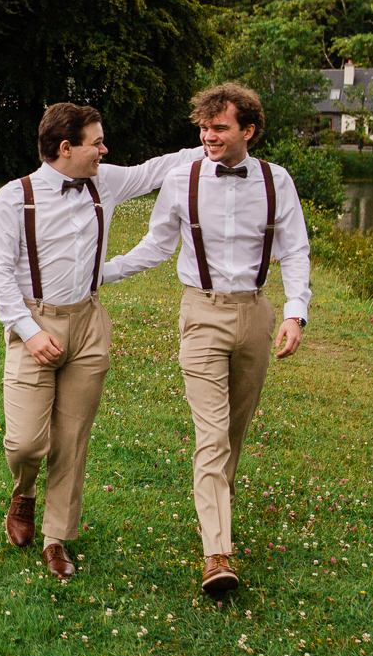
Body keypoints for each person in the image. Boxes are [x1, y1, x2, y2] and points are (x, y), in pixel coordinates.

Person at [101, 82, 312, 597]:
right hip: (201, 313)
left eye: (220, 128)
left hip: (257, 314)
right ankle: (217, 552)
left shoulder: (276, 181)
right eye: (204, 127)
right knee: (212, 433)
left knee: (235, 432)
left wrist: (294, 313)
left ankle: (214, 508)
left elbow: (296, 250)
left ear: (249, 130)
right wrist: (101, 272)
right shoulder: (183, 178)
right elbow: (157, 244)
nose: (208, 136)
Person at [0, 103, 200, 579]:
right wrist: (29, 331)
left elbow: (155, 170)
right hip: (34, 323)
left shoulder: (106, 181)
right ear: (66, 148)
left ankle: (57, 537)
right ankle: (24, 493)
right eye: (97, 142)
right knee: (24, 443)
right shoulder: (14, 198)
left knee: (72, 439)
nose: (105, 149)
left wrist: (211, 143)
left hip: (89, 323)